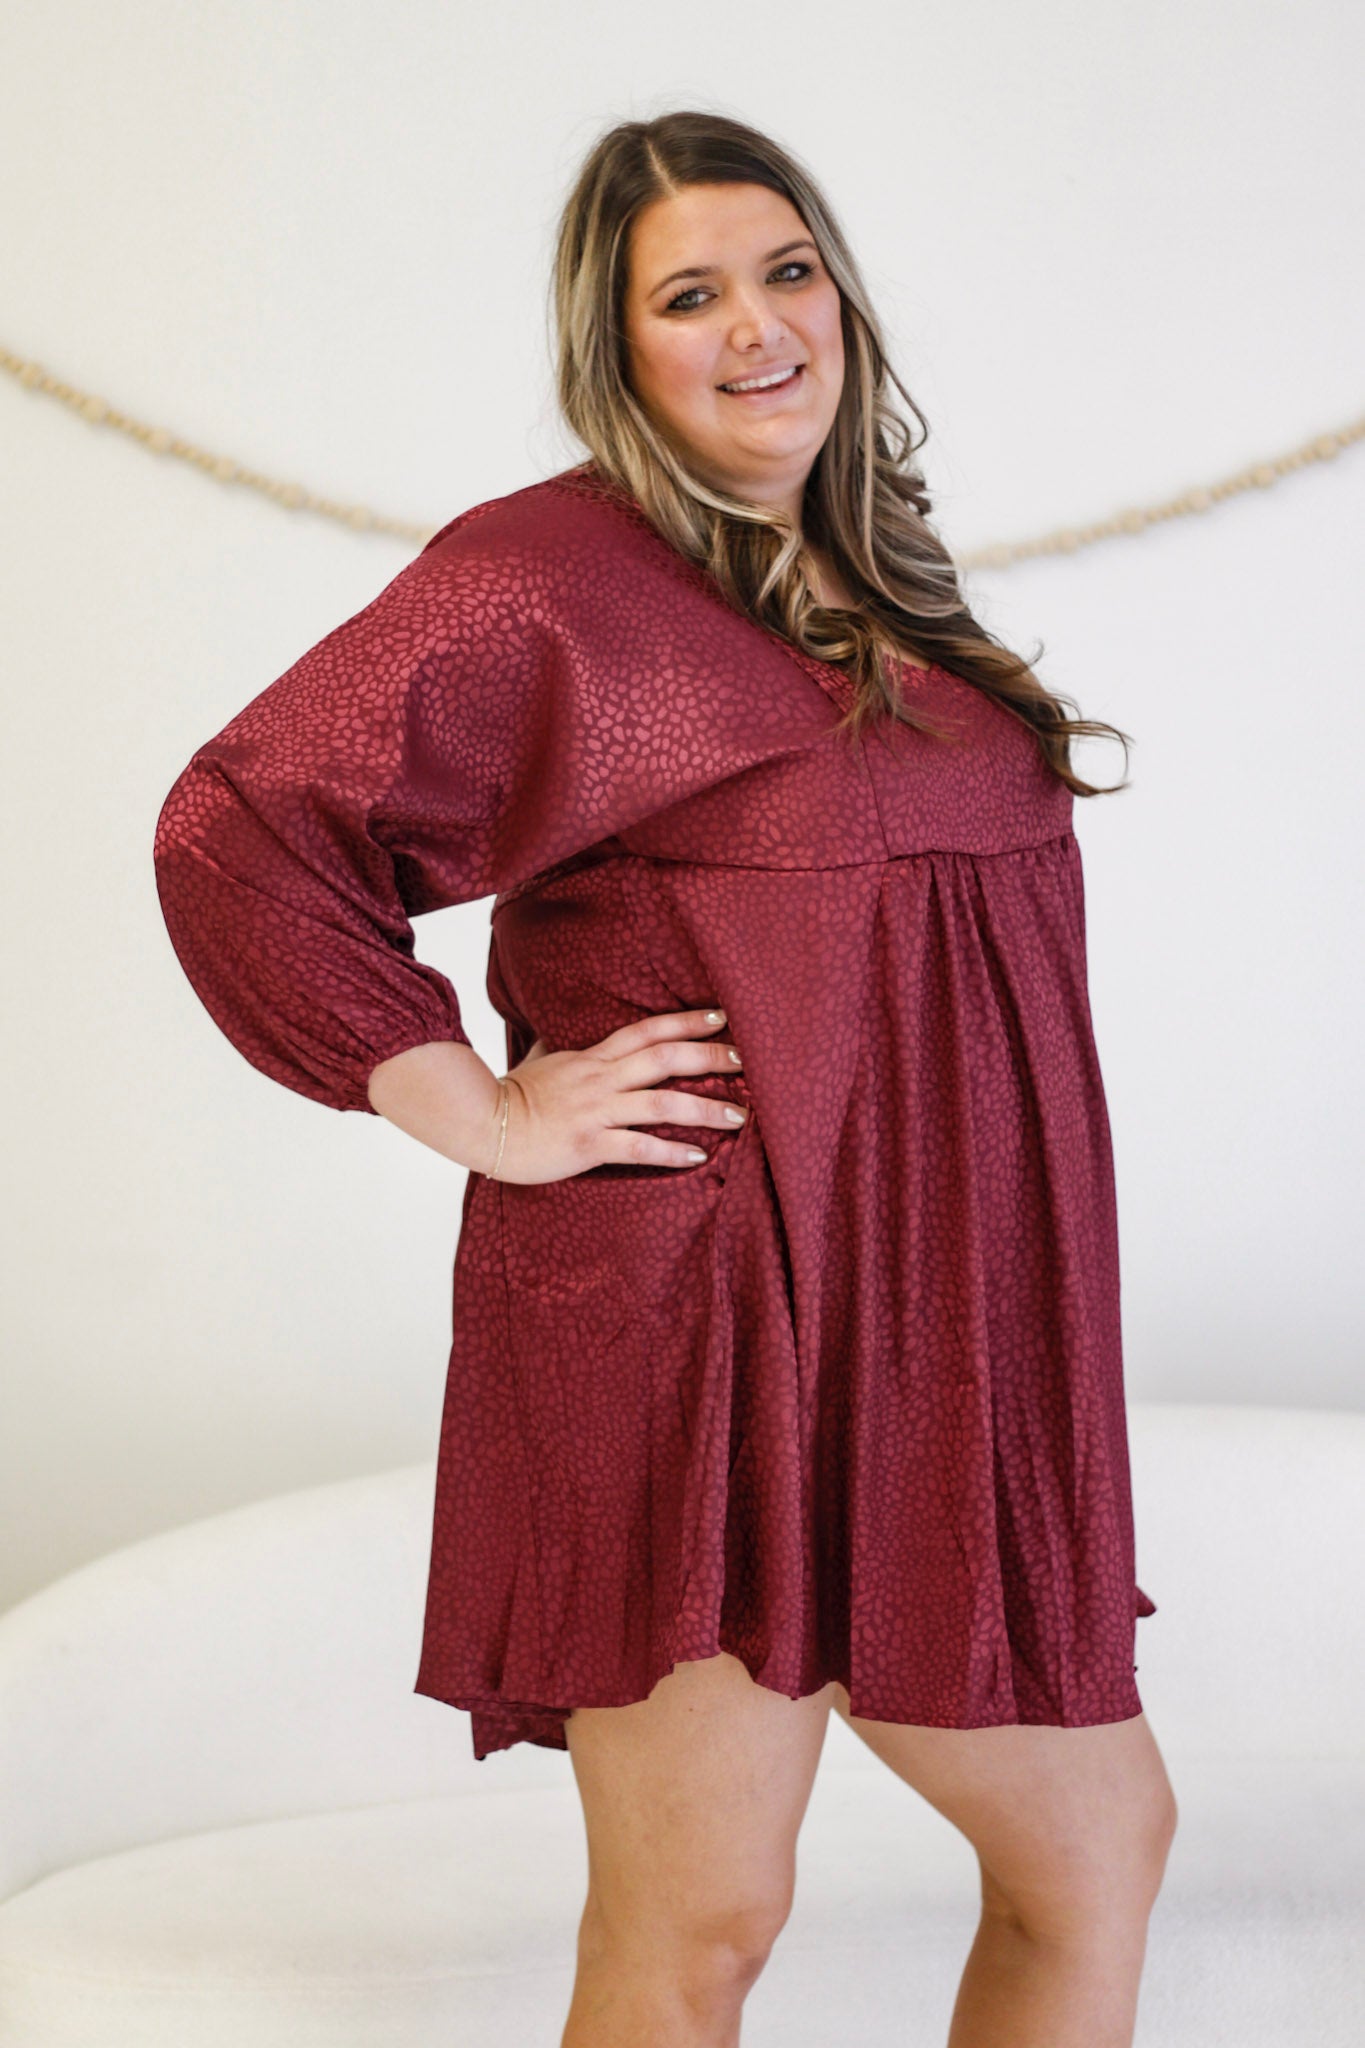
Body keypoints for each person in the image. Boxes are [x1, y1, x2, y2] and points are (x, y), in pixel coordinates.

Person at [153, 107, 1177, 2048]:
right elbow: (238, 829)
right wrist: (472, 1103)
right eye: (687, 297)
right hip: (691, 1326)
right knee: (700, 1919)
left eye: (785, 273)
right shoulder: (548, 578)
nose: (756, 327)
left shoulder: (880, 583)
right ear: (615, 351)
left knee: (1095, 1848)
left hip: (933, 1322)